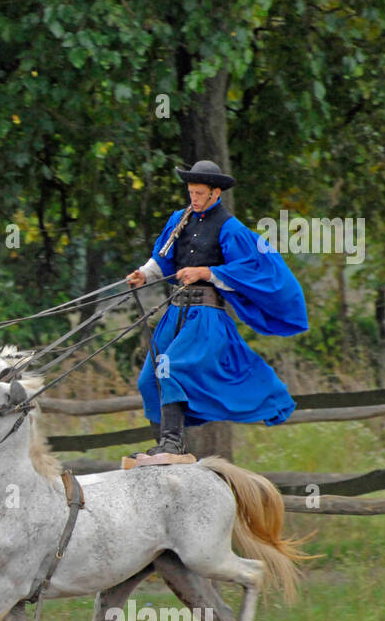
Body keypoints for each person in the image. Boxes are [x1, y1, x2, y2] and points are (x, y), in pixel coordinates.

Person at [124, 160, 308, 463]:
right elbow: (164, 259)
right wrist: (145, 274)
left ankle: (173, 446)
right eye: (191, 192)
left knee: (169, 367)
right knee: (148, 379)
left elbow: (248, 270)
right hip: (175, 313)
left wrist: (206, 272)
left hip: (206, 317)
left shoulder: (231, 229)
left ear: (215, 192)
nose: (194, 199)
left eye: (199, 193)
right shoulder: (179, 219)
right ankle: (165, 448)